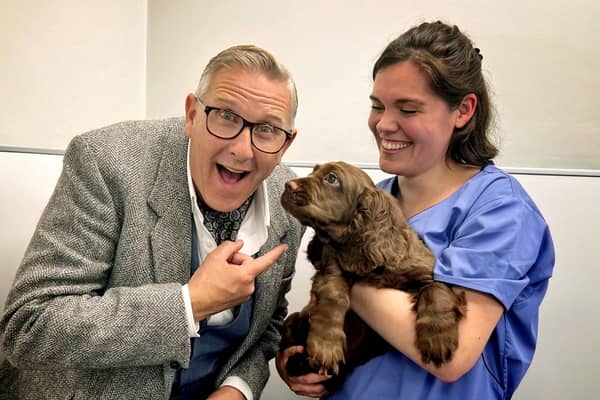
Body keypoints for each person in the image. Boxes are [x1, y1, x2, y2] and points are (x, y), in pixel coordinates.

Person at [0, 45, 305, 400]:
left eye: (267, 129)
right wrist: (189, 304)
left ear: (286, 143)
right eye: (225, 115)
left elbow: (266, 327)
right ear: (192, 114)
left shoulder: (290, 199)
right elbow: (30, 327)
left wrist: (238, 389)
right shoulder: (107, 161)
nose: (242, 149)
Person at [277, 21, 555, 399]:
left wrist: (339, 273)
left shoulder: (501, 212)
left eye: (408, 109)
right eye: (377, 106)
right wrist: (301, 357)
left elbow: (451, 355)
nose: (384, 124)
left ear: (463, 110)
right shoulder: (371, 197)